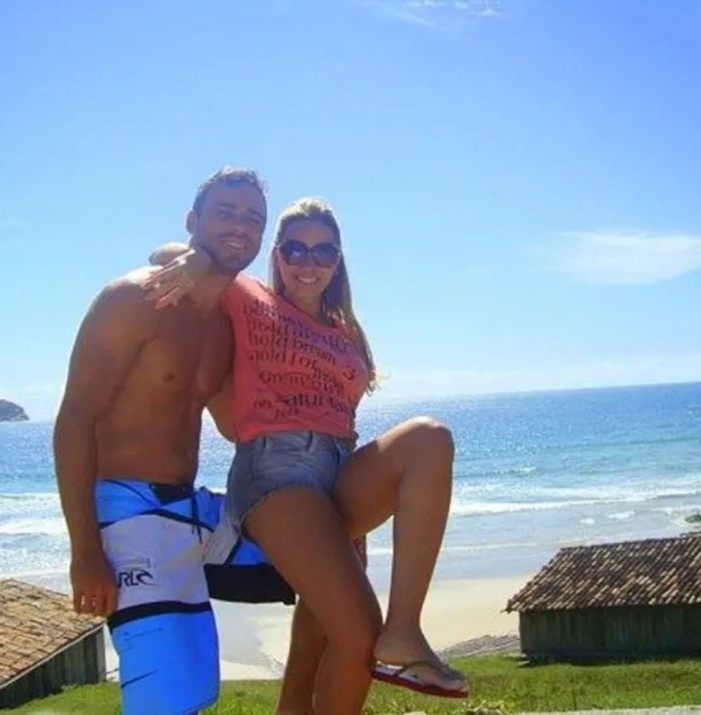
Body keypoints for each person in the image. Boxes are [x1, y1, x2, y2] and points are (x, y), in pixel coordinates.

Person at [144, 197, 468, 715]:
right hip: (277, 474)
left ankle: (405, 628)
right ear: (276, 256)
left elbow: (342, 415)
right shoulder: (248, 299)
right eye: (294, 249)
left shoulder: (345, 332)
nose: (307, 262)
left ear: (337, 261)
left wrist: (353, 521)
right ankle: (391, 638)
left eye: (322, 251)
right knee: (359, 633)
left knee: (429, 439)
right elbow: (164, 255)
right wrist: (199, 260)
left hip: (337, 472)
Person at [54, 167, 303, 715]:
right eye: (225, 213)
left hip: (190, 512)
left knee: (325, 559)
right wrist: (85, 552)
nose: (240, 226)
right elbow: (73, 421)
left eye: (253, 219)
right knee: (167, 700)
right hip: (127, 518)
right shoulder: (133, 301)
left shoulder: (225, 325)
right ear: (193, 221)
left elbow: (236, 427)